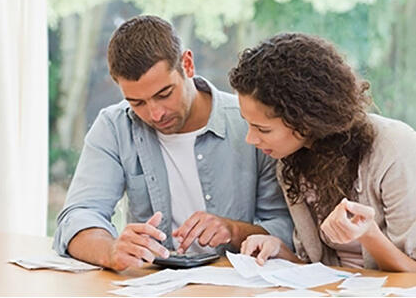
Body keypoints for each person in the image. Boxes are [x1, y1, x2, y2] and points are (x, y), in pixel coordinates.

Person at [53, 15, 293, 271]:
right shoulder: (115, 126)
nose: (155, 114)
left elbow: (286, 227)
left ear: (187, 65)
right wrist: (110, 250)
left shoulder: (250, 126)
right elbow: (78, 217)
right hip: (152, 284)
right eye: (138, 102)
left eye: (164, 94)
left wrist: (233, 230)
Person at [230, 32, 416, 272]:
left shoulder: (394, 148)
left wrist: (369, 234)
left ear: (304, 120)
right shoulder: (291, 162)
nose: (250, 139)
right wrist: (279, 250)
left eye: (262, 129)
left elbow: (412, 274)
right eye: (248, 123)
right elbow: (319, 270)